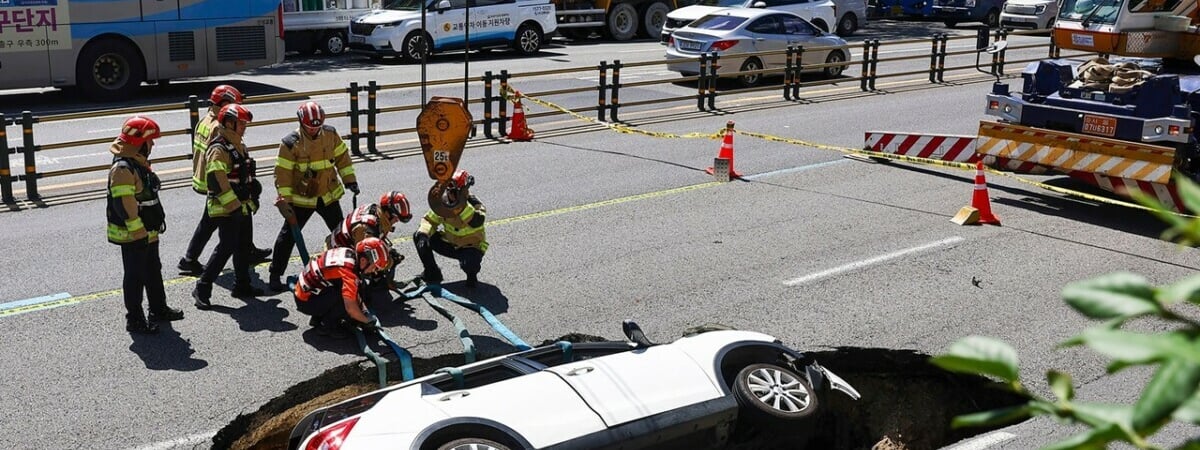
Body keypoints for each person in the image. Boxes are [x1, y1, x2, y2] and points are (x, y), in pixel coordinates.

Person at [178, 85, 270, 276]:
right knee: (219, 223)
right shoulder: (217, 127)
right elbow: (220, 160)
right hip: (217, 182)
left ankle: (192, 258)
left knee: (211, 222)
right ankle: (192, 261)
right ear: (225, 103)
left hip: (203, 177)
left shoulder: (204, 120)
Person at [268, 101, 359, 292]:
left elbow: (343, 158)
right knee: (288, 237)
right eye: (310, 127)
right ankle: (275, 275)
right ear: (301, 123)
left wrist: (350, 180)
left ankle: (349, 269)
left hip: (327, 196)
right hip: (302, 200)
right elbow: (282, 175)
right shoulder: (290, 143)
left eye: (317, 127)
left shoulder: (331, 134)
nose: (314, 131)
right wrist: (286, 202)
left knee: (341, 235)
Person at [106, 116, 184, 334]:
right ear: (139, 143)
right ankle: (135, 319)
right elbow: (125, 203)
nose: (153, 145)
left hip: (145, 230)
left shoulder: (136, 163)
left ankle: (158, 309)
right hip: (133, 233)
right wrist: (137, 229)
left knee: (152, 270)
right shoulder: (123, 168)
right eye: (150, 141)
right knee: (135, 276)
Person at [192, 104, 266, 309]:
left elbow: (241, 173)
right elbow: (217, 181)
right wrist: (234, 206)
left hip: (241, 207)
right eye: (241, 123)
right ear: (229, 123)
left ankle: (242, 285)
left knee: (243, 246)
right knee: (226, 248)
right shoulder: (219, 148)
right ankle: (202, 287)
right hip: (226, 209)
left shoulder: (237, 144)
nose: (244, 127)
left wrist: (252, 190)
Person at [293, 237, 391, 338]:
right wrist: (367, 321)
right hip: (306, 301)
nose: (374, 271)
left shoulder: (348, 252)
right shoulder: (349, 273)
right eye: (374, 267)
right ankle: (326, 327)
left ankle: (319, 317)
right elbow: (350, 308)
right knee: (344, 299)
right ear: (363, 260)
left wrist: (362, 311)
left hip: (307, 293)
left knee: (356, 289)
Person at [413, 169, 487, 287]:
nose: (449, 194)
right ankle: (432, 273)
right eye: (448, 190)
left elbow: (476, 221)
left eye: (453, 192)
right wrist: (423, 235)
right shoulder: (443, 203)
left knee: (470, 263)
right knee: (418, 236)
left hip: (471, 247)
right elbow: (429, 220)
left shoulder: (473, 203)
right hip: (451, 244)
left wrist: (460, 206)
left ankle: (472, 276)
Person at [326, 191, 412, 291]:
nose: (396, 222)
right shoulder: (366, 229)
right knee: (360, 290)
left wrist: (388, 251)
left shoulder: (376, 212)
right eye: (396, 218)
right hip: (337, 256)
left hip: (348, 244)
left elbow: (376, 240)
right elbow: (366, 258)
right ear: (388, 213)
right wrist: (390, 262)